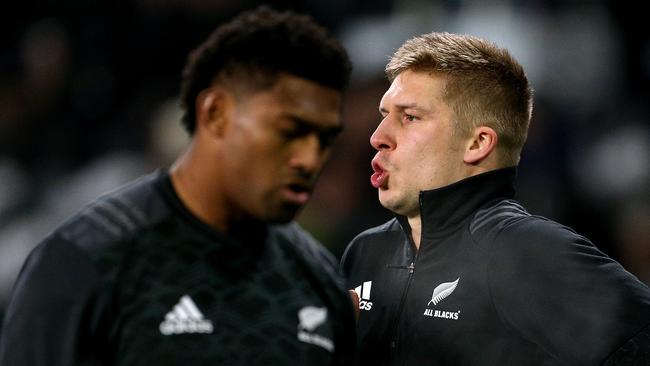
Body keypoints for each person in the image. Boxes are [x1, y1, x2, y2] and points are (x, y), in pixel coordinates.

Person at [0, 6, 356, 365]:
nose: (310, 159)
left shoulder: (317, 278)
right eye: (289, 130)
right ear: (216, 113)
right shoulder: (86, 259)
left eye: (324, 139)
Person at [340, 32, 650, 365]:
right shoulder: (366, 252)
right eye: (384, 114)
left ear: (477, 144)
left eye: (410, 117)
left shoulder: (526, 251)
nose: (378, 137)